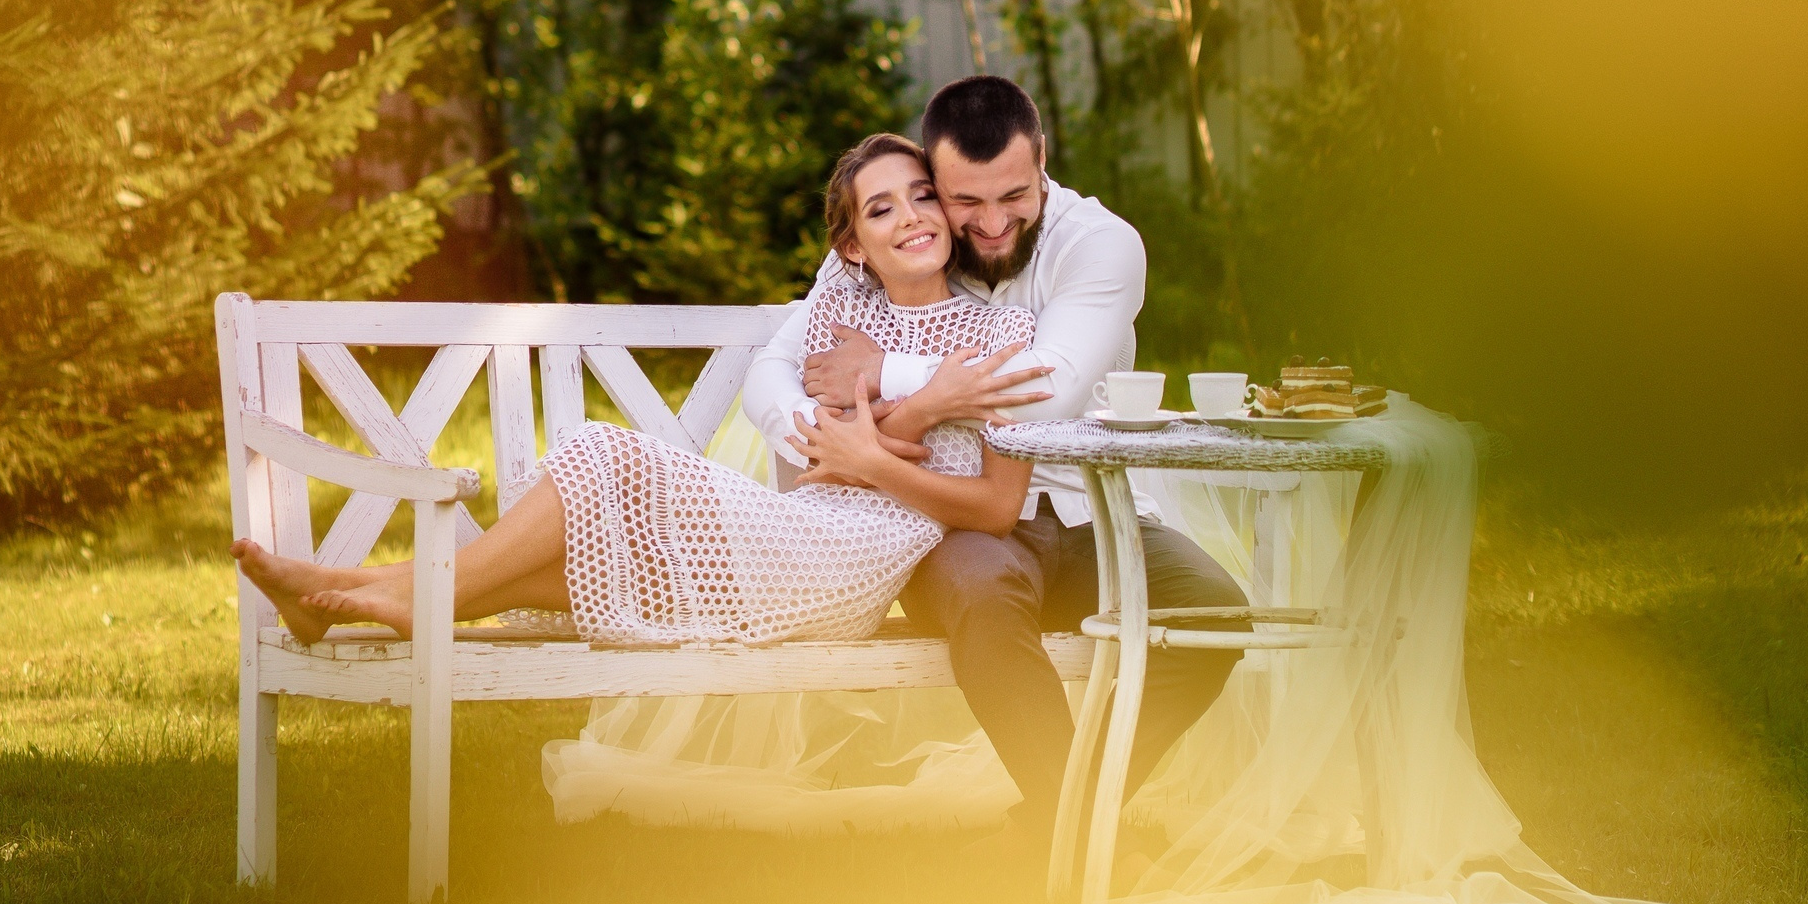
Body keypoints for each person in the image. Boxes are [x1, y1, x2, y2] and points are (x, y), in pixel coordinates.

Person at [229, 134, 1037, 648]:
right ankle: (342, 596)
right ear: (852, 245)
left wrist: (884, 429)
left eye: (923, 195)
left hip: (844, 562)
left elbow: (888, 458)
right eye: (880, 208)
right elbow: (832, 450)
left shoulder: (993, 326)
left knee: (604, 453)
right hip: (801, 525)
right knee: (593, 552)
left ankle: (401, 600)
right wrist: (916, 413)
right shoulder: (841, 309)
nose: (910, 217)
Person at [741, 75, 1248, 853]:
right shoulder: (906, 229)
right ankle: (1083, 841)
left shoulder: (1101, 244)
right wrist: (823, 440)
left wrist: (889, 379)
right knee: (984, 595)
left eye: (1012, 195)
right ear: (934, 180)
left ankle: (1069, 811)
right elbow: (776, 369)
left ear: (1042, 158)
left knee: (1213, 610)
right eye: (964, 201)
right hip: (956, 512)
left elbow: (1042, 397)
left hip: (1090, 510)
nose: (989, 221)